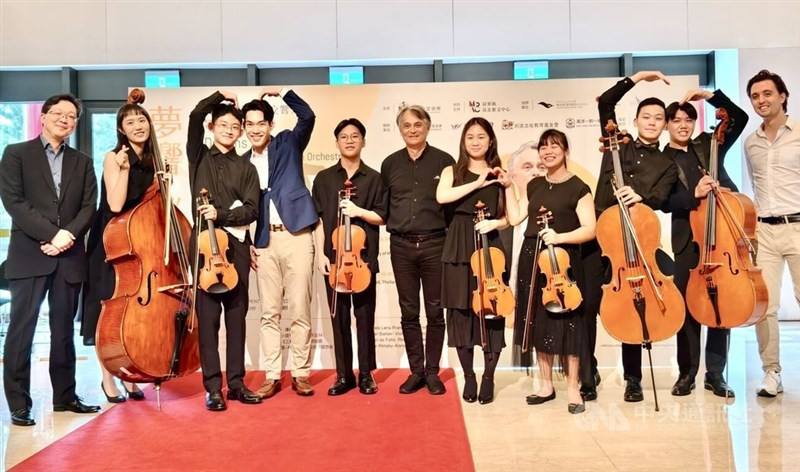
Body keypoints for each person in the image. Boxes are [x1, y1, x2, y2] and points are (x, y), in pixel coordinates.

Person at [0, 94, 99, 426]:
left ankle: (65, 396)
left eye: (72, 116)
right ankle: (19, 403)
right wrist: (52, 235)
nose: (65, 119)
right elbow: (13, 202)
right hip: (29, 255)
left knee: (63, 331)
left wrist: (66, 236)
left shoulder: (82, 161)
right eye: (59, 113)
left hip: (69, 256)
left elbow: (89, 206)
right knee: (21, 330)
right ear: (43, 117)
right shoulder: (16, 154)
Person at [591, 71, 679, 403]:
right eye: (646, 116)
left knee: (636, 304)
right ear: (637, 119)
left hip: (639, 242)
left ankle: (633, 379)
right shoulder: (617, 143)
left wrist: (641, 195)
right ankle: (589, 371)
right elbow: (606, 102)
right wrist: (639, 77)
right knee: (592, 307)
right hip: (604, 238)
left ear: (665, 125)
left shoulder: (667, 162)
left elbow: (661, 197)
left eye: (658, 118)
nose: (652, 122)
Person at [502, 129, 596, 414]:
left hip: (562, 261)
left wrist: (559, 237)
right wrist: (507, 187)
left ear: (565, 151)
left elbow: (589, 229)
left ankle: (573, 388)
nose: (548, 151)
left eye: (555, 146)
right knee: (538, 322)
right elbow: (516, 217)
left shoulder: (579, 187)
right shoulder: (534, 185)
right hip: (532, 259)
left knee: (570, 325)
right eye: (544, 147)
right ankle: (545, 385)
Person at [662, 88, 748, 398]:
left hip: (721, 235)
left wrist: (711, 97)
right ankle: (687, 373)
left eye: (688, 120)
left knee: (720, 306)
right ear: (667, 125)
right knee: (688, 308)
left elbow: (739, 118)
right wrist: (693, 194)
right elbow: (663, 202)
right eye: (676, 120)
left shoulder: (709, 144)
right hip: (689, 241)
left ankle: (716, 374)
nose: (683, 125)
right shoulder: (662, 159)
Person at [82, 92, 163, 403]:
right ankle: (108, 378)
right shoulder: (114, 157)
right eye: (130, 122)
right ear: (121, 129)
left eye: (141, 119)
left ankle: (131, 375)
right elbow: (115, 204)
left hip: (140, 243)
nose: (138, 125)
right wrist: (125, 169)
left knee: (135, 313)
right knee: (110, 312)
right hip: (112, 242)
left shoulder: (154, 160)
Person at [242, 89, 320, 399]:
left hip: (297, 234)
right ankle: (272, 375)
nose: (255, 129)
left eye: (260, 123)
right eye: (249, 124)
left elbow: (308, 116)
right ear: (244, 127)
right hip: (264, 241)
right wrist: (248, 241)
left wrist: (284, 92)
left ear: (270, 125)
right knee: (269, 312)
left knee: (300, 308)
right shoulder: (243, 162)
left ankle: (301, 373)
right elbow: (243, 207)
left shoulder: (288, 143)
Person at [187, 91, 261, 411]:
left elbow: (252, 209)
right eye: (223, 125)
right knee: (208, 319)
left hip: (237, 247)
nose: (229, 130)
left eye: (235, 126)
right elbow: (194, 115)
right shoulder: (198, 156)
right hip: (205, 247)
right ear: (211, 127)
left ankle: (237, 383)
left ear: (241, 131)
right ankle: (213, 388)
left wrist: (222, 214)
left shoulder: (247, 168)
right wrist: (220, 96)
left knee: (236, 316)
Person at [381, 105, 455, 395]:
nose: (412, 130)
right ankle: (416, 371)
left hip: (436, 243)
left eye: (417, 124)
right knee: (408, 310)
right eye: (406, 125)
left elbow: (451, 205)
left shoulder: (445, 161)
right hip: (400, 245)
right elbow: (384, 206)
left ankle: (433, 372)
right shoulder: (390, 164)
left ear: (427, 126)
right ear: (400, 129)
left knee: (435, 311)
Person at [312, 118, 386, 396]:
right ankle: (344, 375)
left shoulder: (375, 178)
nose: (350, 140)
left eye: (355, 136)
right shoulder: (324, 179)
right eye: (344, 136)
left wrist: (358, 211)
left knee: (365, 318)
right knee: (339, 318)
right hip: (334, 260)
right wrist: (321, 253)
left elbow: (382, 217)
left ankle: (366, 374)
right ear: (337, 142)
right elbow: (318, 220)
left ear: (363, 141)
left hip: (363, 260)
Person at [436, 117, 507, 404]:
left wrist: (496, 223)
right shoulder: (451, 171)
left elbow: (511, 216)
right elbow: (443, 197)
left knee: (493, 309)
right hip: (458, 244)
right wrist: (478, 183)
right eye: (470, 137)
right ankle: (469, 375)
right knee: (460, 311)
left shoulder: (500, 173)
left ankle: (489, 376)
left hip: (490, 246)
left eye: (481, 136)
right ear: (463, 141)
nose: (476, 142)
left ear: (491, 141)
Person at [744, 69, 800, 397]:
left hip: (799, 226)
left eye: (767, 94)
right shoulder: (751, 142)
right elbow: (756, 185)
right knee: (764, 305)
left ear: (782, 96)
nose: (761, 100)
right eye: (755, 96)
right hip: (765, 230)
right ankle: (771, 372)